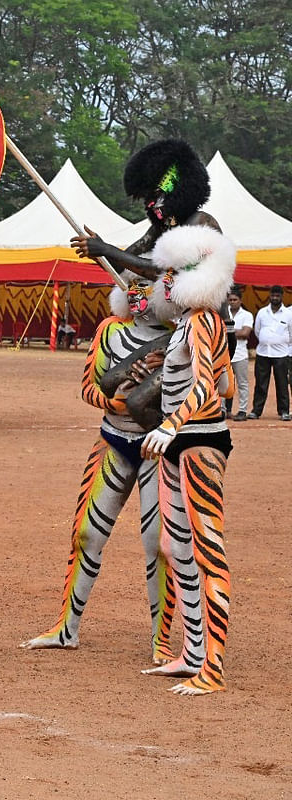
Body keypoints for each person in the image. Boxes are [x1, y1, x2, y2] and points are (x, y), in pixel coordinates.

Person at [21, 271, 178, 660]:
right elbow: (88, 388)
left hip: (157, 449)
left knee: (158, 545)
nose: (139, 293)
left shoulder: (181, 334)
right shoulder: (109, 331)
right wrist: (119, 399)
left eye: (148, 284)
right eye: (133, 285)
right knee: (86, 535)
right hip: (112, 440)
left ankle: (160, 640)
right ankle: (66, 627)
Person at [138, 222, 237, 696]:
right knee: (174, 549)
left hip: (196, 440)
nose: (168, 281)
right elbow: (224, 385)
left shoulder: (201, 322)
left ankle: (211, 667)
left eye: (176, 273)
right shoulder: (190, 324)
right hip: (183, 441)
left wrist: (171, 424)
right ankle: (191, 654)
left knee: (205, 549)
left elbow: (203, 388)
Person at [248, 285, 291, 420]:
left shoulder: (288, 314)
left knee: (282, 384)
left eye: (277, 296)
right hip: (263, 353)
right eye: (273, 296)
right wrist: (267, 340)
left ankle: (284, 412)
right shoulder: (262, 312)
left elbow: (291, 333)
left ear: (281, 297)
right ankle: (256, 411)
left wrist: (279, 342)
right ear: (270, 296)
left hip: (281, 355)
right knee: (261, 383)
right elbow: (257, 331)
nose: (275, 298)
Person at [224, 288, 253, 420]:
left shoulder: (247, 315)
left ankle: (242, 410)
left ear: (240, 301)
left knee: (242, 383)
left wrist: (228, 332)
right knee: (225, 383)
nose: (232, 302)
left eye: (235, 300)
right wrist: (236, 332)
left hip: (240, 354)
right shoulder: (223, 313)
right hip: (224, 354)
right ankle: (223, 410)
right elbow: (218, 331)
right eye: (230, 300)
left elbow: (245, 333)